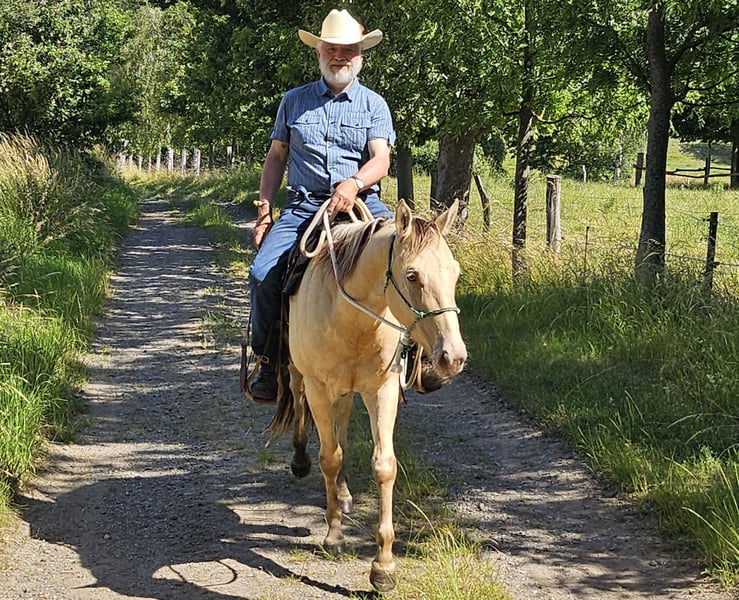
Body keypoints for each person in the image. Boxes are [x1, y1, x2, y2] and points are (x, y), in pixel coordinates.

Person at [247, 9, 396, 402]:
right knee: (262, 274)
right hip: (304, 207)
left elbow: (381, 159)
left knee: (409, 255)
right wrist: (265, 212)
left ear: (360, 55)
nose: (340, 57)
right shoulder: (293, 101)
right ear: (318, 53)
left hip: (363, 204)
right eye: (332, 49)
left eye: (348, 50)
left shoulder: (374, 105)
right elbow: (276, 157)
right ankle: (270, 362)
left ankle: (415, 357)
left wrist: (354, 183)